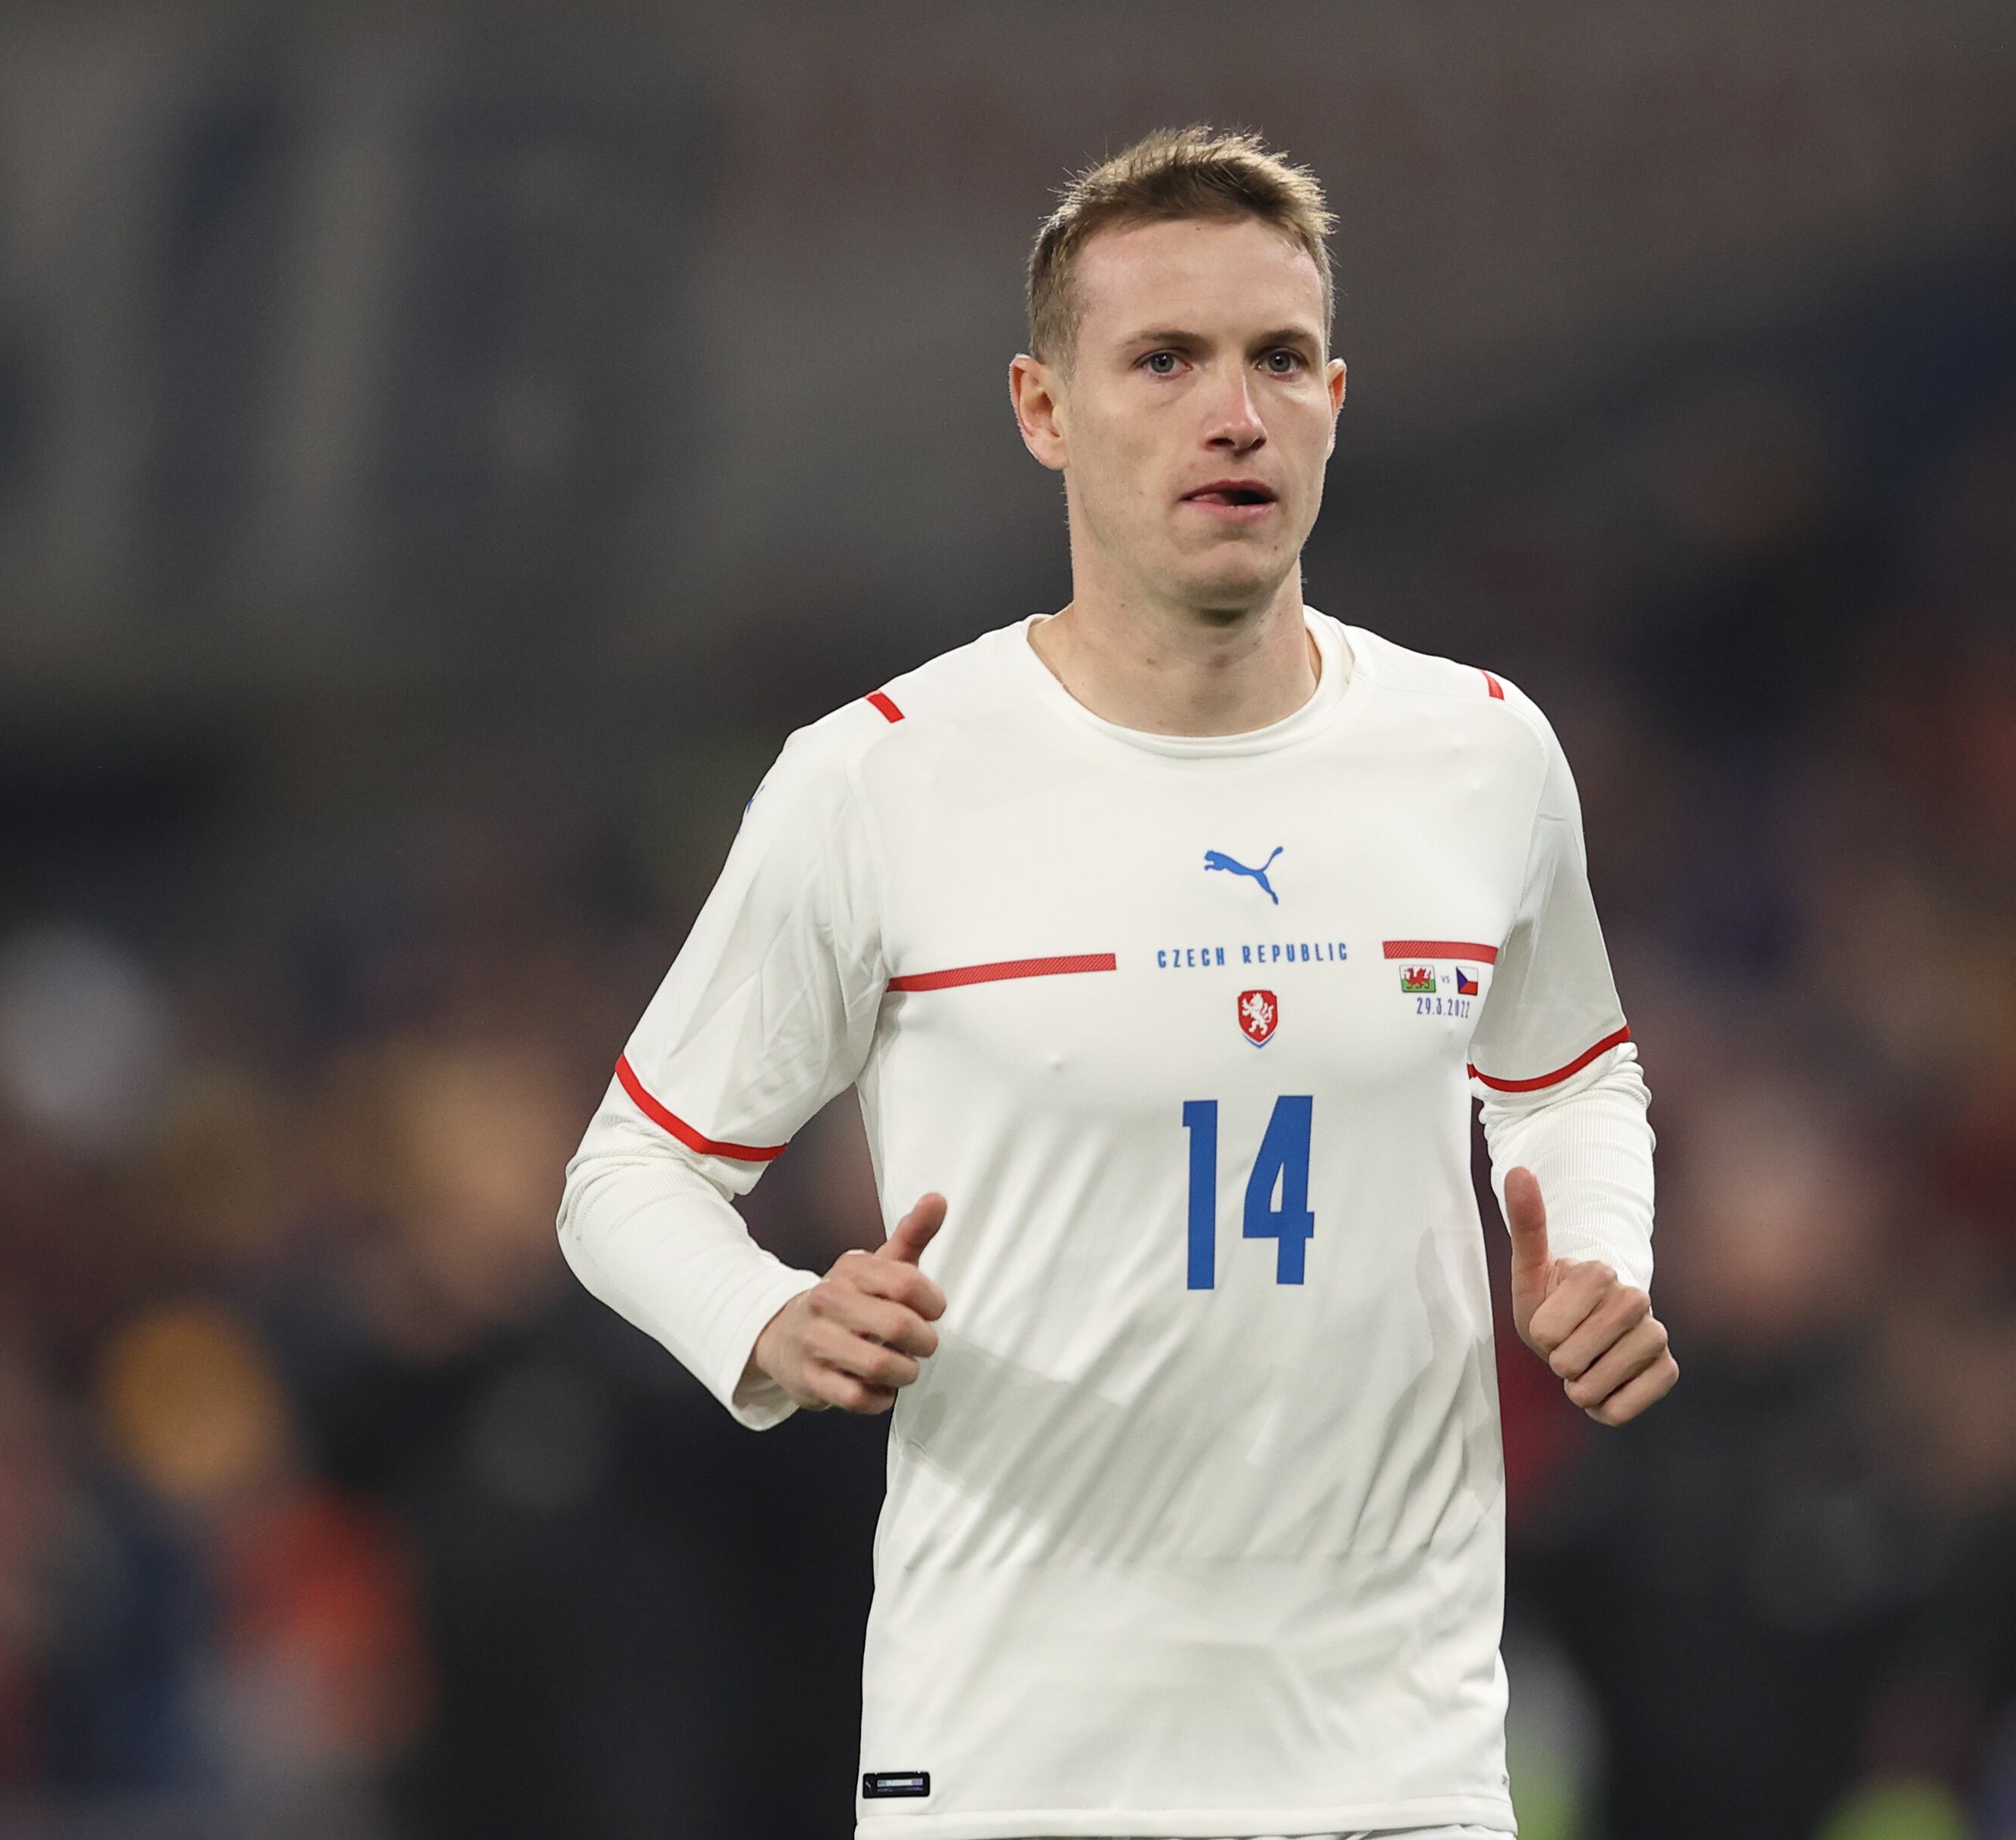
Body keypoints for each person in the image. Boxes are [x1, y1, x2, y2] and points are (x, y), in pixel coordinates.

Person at [559, 127, 1677, 1840]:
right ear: (1043, 409)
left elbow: (1572, 1074)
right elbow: (629, 1176)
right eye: (1164, 358)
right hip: (1017, 1764)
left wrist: (1598, 1246)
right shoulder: (879, 780)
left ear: (1335, 399)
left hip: (1398, 1757)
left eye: (1277, 359)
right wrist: (771, 1317)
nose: (1233, 410)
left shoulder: (1481, 751)